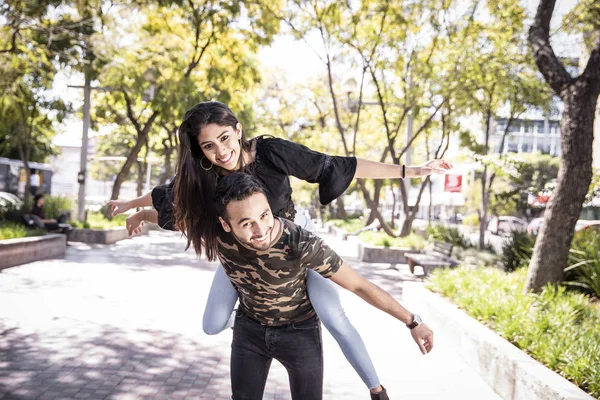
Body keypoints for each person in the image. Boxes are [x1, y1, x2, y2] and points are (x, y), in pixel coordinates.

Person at [108, 101, 452, 398]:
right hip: (243, 249)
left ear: (237, 129)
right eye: (209, 146)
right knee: (212, 324)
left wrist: (412, 171)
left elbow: (336, 164)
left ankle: (376, 388)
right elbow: (173, 202)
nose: (220, 152)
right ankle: (254, 325)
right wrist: (135, 208)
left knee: (331, 314)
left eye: (225, 138)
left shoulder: (270, 153)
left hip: (290, 240)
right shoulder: (207, 178)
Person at [131, 172, 434, 399]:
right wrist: (142, 214)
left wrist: (412, 321)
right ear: (225, 225)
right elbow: (173, 217)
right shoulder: (215, 232)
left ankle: (376, 387)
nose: (261, 229)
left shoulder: (300, 242)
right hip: (250, 331)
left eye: (264, 215)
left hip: (299, 333)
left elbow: (359, 285)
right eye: (246, 223)